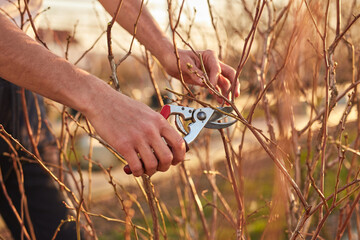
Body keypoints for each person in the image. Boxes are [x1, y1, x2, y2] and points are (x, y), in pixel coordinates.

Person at [0, 0, 239, 239]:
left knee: (64, 231)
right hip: (17, 62)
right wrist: (97, 98)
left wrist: (167, 50)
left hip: (24, 77)